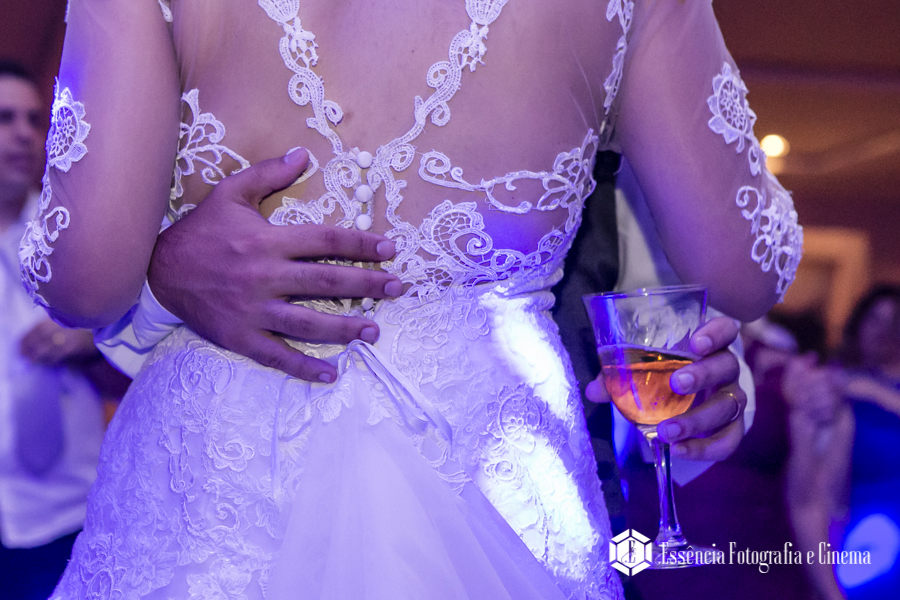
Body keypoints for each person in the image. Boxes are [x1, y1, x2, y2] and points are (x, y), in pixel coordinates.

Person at [23, 1, 802, 598]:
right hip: (500, 483)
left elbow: (83, 280)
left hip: (215, 492)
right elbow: (747, 268)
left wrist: (159, 257)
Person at [0, 61, 112, 600]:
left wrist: (85, 339)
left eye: (34, 119)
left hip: (62, 510)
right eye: (4, 118)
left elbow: (138, 331)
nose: (25, 134)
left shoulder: (70, 234)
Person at [784, 286, 900, 600]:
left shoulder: (862, 389)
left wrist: (875, 392)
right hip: (869, 544)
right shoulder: (835, 391)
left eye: (894, 321)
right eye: (874, 319)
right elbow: (815, 495)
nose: (883, 330)